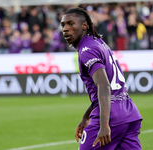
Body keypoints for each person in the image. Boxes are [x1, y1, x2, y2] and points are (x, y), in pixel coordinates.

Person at [60, 7, 142, 150]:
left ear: (84, 25)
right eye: (63, 25)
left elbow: (104, 85)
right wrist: (86, 116)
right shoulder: (99, 43)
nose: (65, 29)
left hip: (111, 118)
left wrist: (104, 125)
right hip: (129, 114)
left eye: (71, 24)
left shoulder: (87, 50)